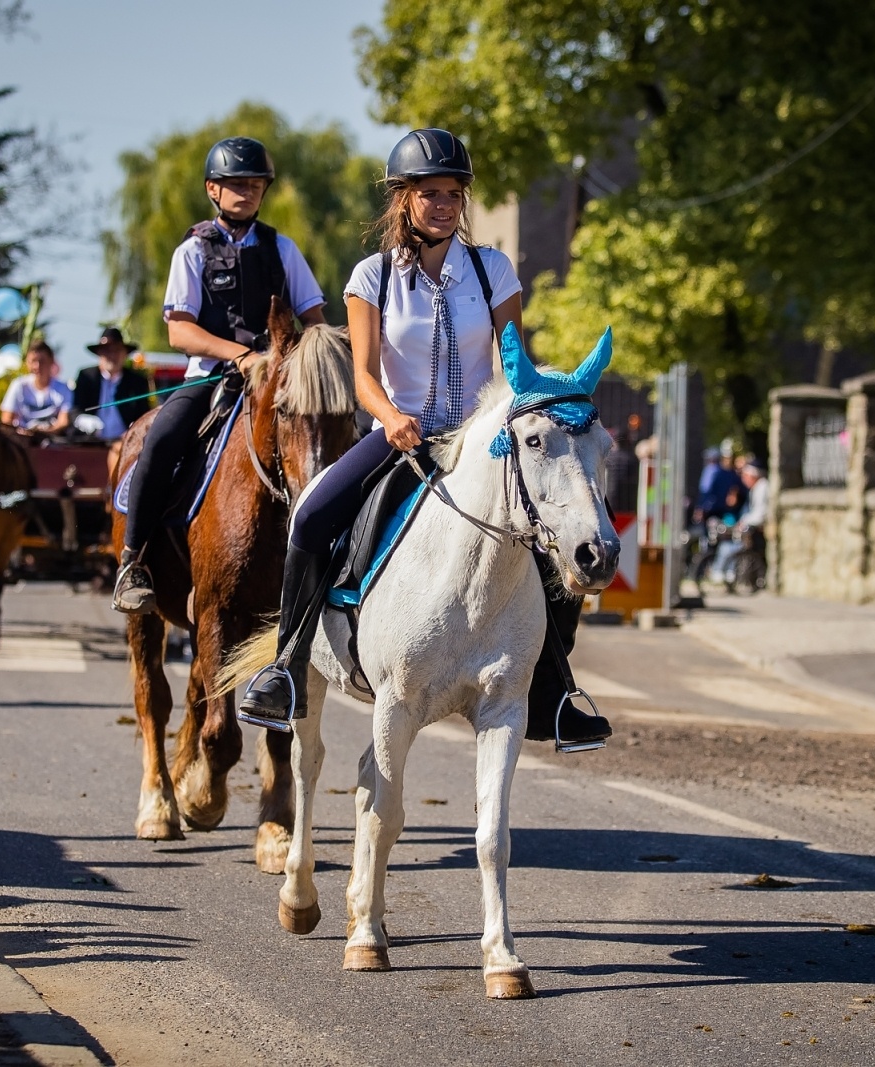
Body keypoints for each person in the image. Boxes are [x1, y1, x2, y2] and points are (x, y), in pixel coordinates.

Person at [236, 128, 612, 750]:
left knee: (558, 539)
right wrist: (389, 415)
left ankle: (554, 689)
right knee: (311, 520)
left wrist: (550, 398)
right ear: (403, 199)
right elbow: (361, 375)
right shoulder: (372, 275)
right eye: (430, 193)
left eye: (454, 193)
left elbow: (514, 359)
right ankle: (287, 668)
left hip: (479, 442)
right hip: (399, 434)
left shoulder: (492, 271)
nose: (444, 204)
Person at [111, 135, 327, 613]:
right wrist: (241, 356)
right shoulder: (192, 251)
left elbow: (314, 317)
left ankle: (333, 562)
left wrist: (318, 359)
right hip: (210, 378)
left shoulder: (283, 248)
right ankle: (134, 560)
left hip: (277, 381)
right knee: (160, 440)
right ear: (213, 189)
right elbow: (180, 332)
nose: (246, 192)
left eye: (255, 184)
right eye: (236, 184)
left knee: (330, 437)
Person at [72, 327, 151, 440]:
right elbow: (74, 410)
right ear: (99, 353)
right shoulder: (87, 377)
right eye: (107, 350)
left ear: (125, 354)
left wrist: (133, 431)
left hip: (125, 445)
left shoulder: (137, 382)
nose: (112, 355)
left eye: (117, 350)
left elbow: (144, 416)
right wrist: (83, 420)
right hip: (90, 443)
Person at [0, 342, 72, 432]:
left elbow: (63, 421)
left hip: (52, 441)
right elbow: (6, 419)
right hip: (22, 441)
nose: (37, 366)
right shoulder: (19, 386)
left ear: (51, 361)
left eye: (42, 361)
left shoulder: (63, 389)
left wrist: (44, 433)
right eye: (33, 361)